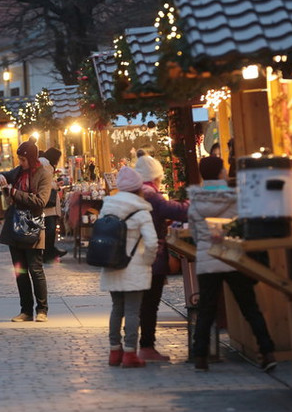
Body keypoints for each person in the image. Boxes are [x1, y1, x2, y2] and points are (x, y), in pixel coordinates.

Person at [188, 156, 276, 372]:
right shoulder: (235, 198)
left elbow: (195, 234)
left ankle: (200, 356)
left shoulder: (196, 201)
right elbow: (244, 227)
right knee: (249, 308)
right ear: (220, 173)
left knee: (206, 309)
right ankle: (267, 352)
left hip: (208, 259)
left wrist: (206, 246)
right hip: (233, 257)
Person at [99, 166, 158, 368]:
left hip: (112, 263)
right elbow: (151, 242)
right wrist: (147, 261)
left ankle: (115, 351)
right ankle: (130, 353)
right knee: (133, 311)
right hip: (134, 266)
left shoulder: (107, 206)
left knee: (117, 309)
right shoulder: (142, 209)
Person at [134, 155, 189, 362]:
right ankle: (147, 347)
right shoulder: (152, 196)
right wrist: (197, 200)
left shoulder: (135, 193)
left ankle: (135, 347)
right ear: (155, 177)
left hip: (136, 256)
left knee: (141, 304)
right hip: (151, 257)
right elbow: (179, 212)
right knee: (150, 304)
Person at [0, 141, 53, 322]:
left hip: (33, 226)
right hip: (15, 226)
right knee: (20, 271)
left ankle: (42, 310)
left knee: (36, 269)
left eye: (23, 159)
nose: (20, 162)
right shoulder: (18, 172)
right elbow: (0, 175)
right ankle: (26, 311)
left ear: (31, 158)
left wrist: (13, 192)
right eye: (19, 158)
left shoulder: (44, 174)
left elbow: (40, 201)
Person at [40, 147, 67, 263]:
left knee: (49, 228)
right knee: (49, 228)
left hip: (46, 202)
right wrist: (56, 185)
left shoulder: (44, 163)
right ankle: (48, 252)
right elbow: (45, 182)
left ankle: (50, 251)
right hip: (47, 202)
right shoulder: (45, 164)